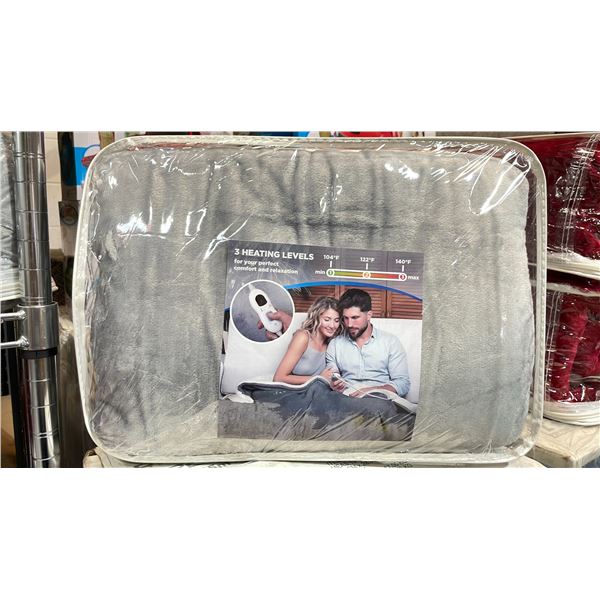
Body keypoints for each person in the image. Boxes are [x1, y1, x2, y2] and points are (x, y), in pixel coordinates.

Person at [326, 288, 411, 398]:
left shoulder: (390, 342)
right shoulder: (335, 344)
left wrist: (372, 390)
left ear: (369, 315)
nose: (349, 324)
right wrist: (334, 382)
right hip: (347, 398)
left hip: (379, 398)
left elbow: (403, 383)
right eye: (345, 318)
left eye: (355, 317)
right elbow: (333, 375)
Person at [273, 297, 341, 385]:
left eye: (336, 321)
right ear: (316, 317)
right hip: (295, 390)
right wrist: (319, 378)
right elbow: (278, 378)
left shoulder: (332, 343)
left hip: (318, 390)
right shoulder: (303, 337)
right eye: (327, 320)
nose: (332, 325)